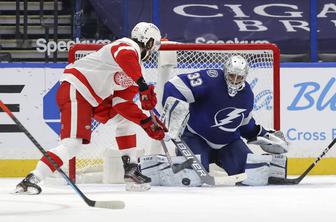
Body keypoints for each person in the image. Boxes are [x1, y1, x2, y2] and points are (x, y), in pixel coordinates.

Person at [15, 22, 166, 194]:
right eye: (155, 44)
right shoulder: (126, 46)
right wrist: (143, 86)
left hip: (93, 99)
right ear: (148, 42)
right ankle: (32, 178)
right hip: (76, 89)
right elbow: (125, 57)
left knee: (124, 120)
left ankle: (131, 169)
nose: (154, 49)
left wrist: (146, 122)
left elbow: (122, 104)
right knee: (72, 145)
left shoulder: (137, 69)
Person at [160, 55, 288, 186]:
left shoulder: (247, 95)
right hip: (195, 137)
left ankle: (225, 160)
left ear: (245, 76)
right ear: (226, 72)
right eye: (232, 75)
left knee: (253, 176)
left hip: (228, 143)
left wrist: (262, 134)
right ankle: (163, 165)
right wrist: (173, 113)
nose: (235, 80)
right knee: (193, 178)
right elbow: (174, 85)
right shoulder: (211, 78)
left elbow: (244, 124)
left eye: (240, 77)